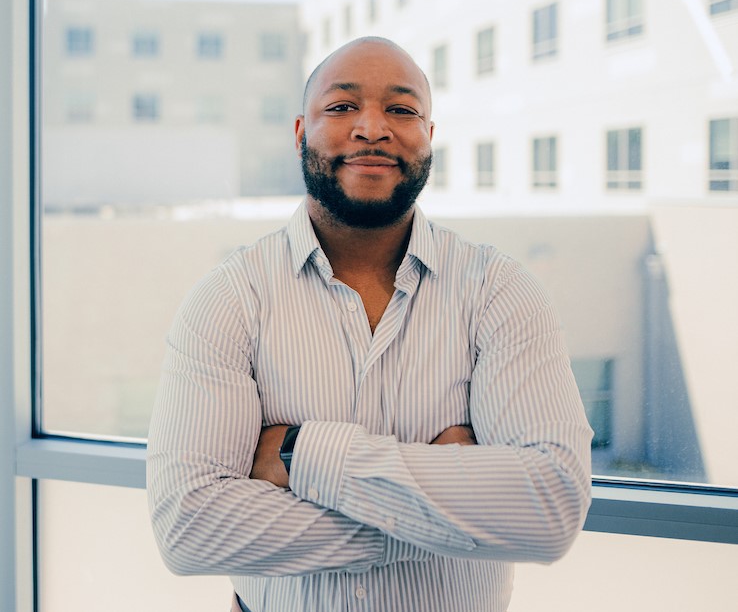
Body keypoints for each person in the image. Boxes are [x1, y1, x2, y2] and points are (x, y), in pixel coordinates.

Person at [146, 36, 593, 612]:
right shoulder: (230, 297)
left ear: (429, 137)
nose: (372, 127)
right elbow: (189, 529)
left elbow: (549, 510)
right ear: (301, 131)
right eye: (342, 106)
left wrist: (301, 454)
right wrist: (445, 518)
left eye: (402, 110)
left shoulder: (499, 291)